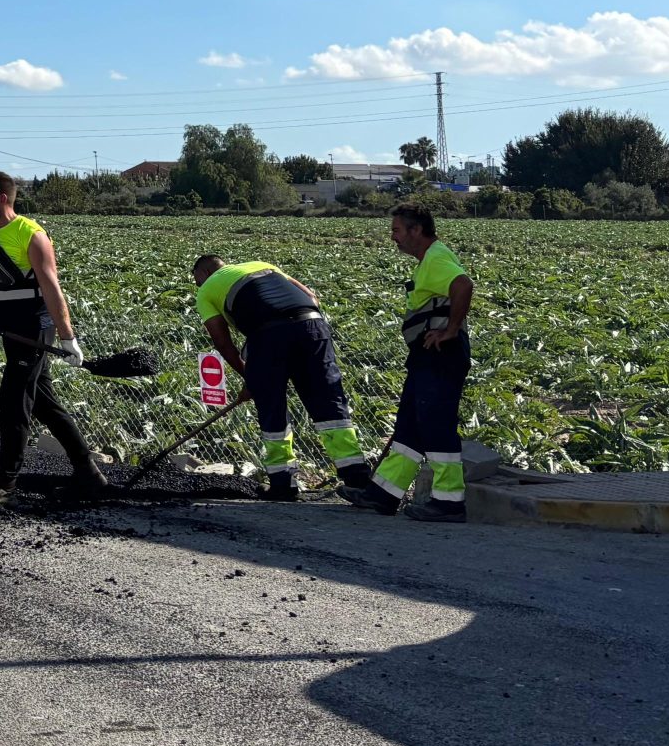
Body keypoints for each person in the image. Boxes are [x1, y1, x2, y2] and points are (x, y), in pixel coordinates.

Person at [191, 255, 393, 512]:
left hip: (267, 335)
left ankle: (283, 484)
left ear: (206, 272)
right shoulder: (261, 265)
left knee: (272, 407)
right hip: (312, 325)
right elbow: (311, 296)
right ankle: (357, 477)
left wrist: (250, 377)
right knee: (328, 401)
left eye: (197, 281)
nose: (199, 286)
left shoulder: (207, 289)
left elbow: (222, 342)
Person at [0, 172, 103, 500]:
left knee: (13, 399)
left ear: (1, 199)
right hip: (10, 331)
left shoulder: (31, 235)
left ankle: (6, 484)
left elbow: (52, 288)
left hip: (35, 330)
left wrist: (67, 338)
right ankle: (89, 473)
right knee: (43, 403)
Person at [375, 203, 475, 522]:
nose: (393, 237)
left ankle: (449, 502)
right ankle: (384, 493)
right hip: (427, 354)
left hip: (441, 354)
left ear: (416, 230)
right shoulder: (429, 260)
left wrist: (451, 329)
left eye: (396, 230)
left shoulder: (435, 258)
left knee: (435, 424)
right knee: (409, 424)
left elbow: (463, 285)